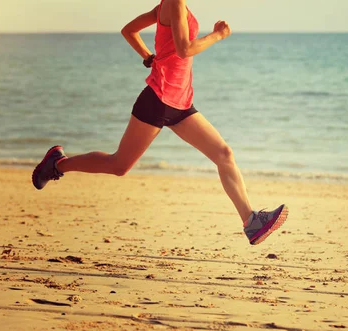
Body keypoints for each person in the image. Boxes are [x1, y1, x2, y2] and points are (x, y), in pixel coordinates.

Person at [31, 0, 288, 245]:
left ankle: (251, 221)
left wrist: (147, 56)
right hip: (158, 99)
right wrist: (217, 36)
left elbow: (129, 30)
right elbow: (184, 49)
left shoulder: (169, 5)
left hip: (181, 103)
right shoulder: (173, 3)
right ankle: (58, 164)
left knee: (224, 154)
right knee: (119, 164)